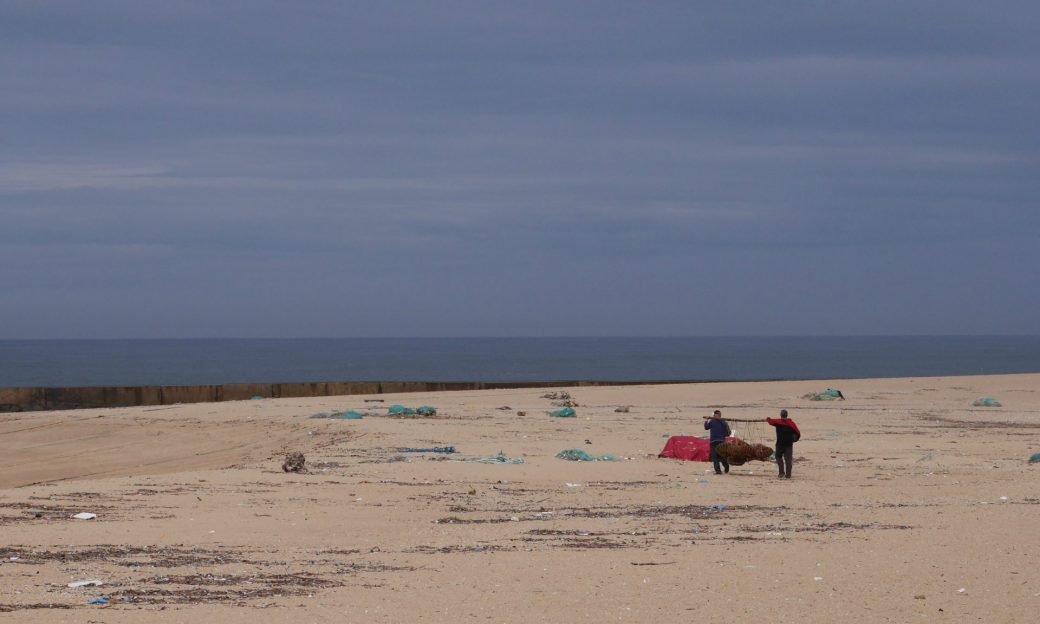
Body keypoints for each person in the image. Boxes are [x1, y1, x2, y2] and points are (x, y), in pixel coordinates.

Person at [766, 409, 801, 479]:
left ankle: (781, 473)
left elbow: (770, 421)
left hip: (780, 444)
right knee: (788, 460)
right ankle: (788, 475)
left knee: (778, 457)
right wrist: (794, 440)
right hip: (789, 444)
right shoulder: (791, 424)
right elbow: (798, 433)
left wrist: (767, 419)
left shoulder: (778, 422)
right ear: (787, 415)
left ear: (781, 415)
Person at [703, 409, 731, 475]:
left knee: (715, 456)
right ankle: (726, 467)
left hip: (714, 441)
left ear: (715, 415)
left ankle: (718, 471)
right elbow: (728, 433)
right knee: (721, 455)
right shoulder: (724, 422)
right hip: (721, 441)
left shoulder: (713, 421)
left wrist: (706, 420)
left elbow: (706, 427)